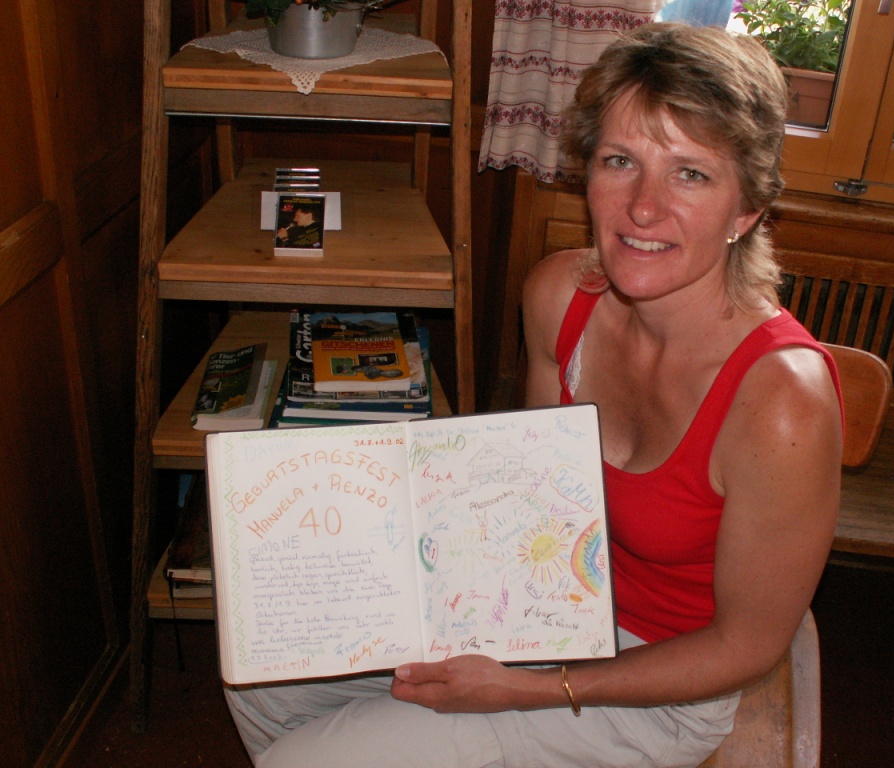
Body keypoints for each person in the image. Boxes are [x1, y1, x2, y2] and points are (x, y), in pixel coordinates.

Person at [224, 22, 843, 768]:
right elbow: (527, 506)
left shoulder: (783, 403)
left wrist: (531, 689)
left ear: (746, 210)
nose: (643, 208)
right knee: (263, 672)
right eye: (620, 161)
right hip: (535, 607)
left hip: (660, 681)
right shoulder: (559, 296)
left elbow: (746, 647)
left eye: (690, 174)